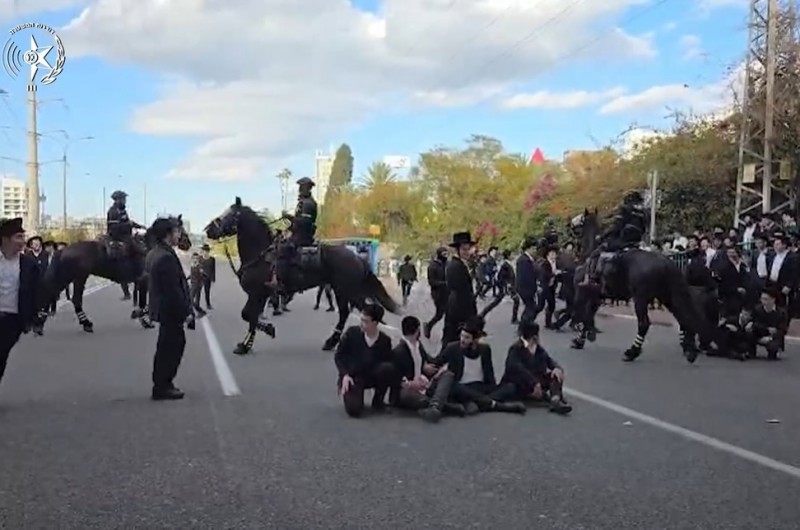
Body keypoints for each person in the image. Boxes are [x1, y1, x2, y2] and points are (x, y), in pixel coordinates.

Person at [430, 317, 526, 415]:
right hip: (462, 387)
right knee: (454, 386)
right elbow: (436, 362)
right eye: (462, 336)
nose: (462, 340)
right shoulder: (452, 348)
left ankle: (477, 402)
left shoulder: (485, 350)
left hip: (480, 387)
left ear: (476, 340)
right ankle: (495, 405)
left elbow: (489, 374)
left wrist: (493, 387)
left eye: (467, 338)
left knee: (510, 387)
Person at [146, 216, 196, 400]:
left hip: (162, 308)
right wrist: (186, 312)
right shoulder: (165, 257)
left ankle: (162, 383)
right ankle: (163, 385)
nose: (179, 234)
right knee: (172, 347)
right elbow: (172, 290)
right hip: (170, 310)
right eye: (176, 232)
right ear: (168, 235)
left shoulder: (155, 252)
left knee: (165, 346)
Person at [334, 303, 402, 417]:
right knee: (354, 410)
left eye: (365, 321)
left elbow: (390, 362)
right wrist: (345, 374)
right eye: (361, 320)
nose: (361, 323)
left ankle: (378, 401)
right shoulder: (352, 333)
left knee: (387, 368)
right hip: (352, 377)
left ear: (375, 323)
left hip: (372, 375)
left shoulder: (384, 341)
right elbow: (339, 356)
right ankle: (354, 397)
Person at [392, 316, 464, 422]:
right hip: (409, 390)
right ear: (417, 330)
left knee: (447, 375)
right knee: (408, 395)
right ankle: (441, 406)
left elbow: (429, 360)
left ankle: (434, 407)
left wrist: (434, 370)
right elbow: (396, 376)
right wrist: (411, 384)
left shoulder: (418, 344)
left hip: (424, 383)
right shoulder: (399, 351)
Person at [0, 218, 41, 389]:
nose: (23, 241)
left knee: (1, 357)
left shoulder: (28, 264)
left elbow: (37, 292)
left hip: (12, 320)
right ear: (5, 239)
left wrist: (35, 317)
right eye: (18, 237)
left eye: (23, 237)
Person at [500, 320, 572, 414]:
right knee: (514, 386)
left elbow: (549, 361)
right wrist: (534, 383)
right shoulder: (516, 349)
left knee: (555, 376)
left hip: (536, 381)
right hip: (520, 383)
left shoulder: (538, 349)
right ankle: (547, 399)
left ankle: (555, 400)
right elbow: (517, 369)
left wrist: (556, 368)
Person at [442, 231, 478, 346]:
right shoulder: (455, 266)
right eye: (464, 249)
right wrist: (470, 314)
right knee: (453, 344)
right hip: (458, 309)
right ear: (457, 250)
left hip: (457, 307)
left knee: (455, 345)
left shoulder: (460, 264)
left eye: (468, 249)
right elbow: (460, 291)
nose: (467, 252)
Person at [106, 190, 144, 259]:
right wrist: (128, 224)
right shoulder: (113, 211)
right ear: (117, 200)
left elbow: (128, 221)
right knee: (136, 247)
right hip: (117, 236)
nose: (125, 201)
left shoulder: (123, 211)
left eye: (124, 199)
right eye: (123, 199)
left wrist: (139, 226)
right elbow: (113, 227)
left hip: (125, 235)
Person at [423, 246, 448, 339]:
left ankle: (447, 333)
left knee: (449, 314)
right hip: (438, 294)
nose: (446, 256)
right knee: (440, 314)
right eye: (444, 254)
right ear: (439, 254)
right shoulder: (433, 266)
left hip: (448, 293)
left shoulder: (447, 264)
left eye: (447, 254)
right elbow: (432, 282)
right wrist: (444, 283)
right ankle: (428, 326)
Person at [200, 244, 215, 309]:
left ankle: (208, 304)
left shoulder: (212, 259)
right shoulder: (199, 258)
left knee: (207, 292)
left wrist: (213, 279)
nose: (205, 252)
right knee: (197, 291)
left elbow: (213, 269)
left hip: (207, 278)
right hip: (200, 277)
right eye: (204, 251)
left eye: (206, 251)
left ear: (208, 251)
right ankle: (196, 304)